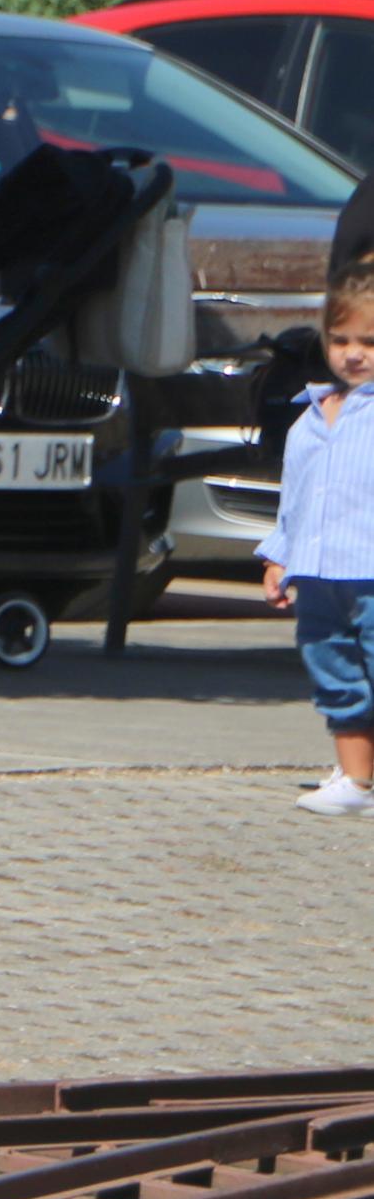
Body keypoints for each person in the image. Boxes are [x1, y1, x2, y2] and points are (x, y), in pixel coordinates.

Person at [263, 261, 374, 818]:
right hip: (319, 575)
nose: (353, 353)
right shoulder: (307, 416)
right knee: (332, 669)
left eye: (369, 341)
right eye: (340, 339)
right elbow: (295, 500)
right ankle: (356, 780)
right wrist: (280, 558)